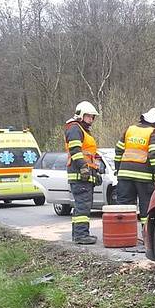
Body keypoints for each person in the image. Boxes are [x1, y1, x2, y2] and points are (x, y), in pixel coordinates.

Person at [114, 108, 155, 236]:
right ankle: (146, 237)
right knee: (146, 208)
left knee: (124, 207)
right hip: (144, 178)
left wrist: (118, 169)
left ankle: (123, 236)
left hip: (124, 176)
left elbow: (118, 150)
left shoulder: (129, 130)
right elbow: (154, 155)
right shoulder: (153, 133)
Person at [64, 101, 101, 245]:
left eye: (92, 117)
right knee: (83, 206)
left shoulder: (82, 130)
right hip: (80, 175)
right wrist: (84, 167)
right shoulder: (74, 128)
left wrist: (96, 171)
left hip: (84, 175)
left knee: (82, 205)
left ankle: (78, 234)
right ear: (81, 115)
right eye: (89, 117)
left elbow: (90, 154)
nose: (91, 119)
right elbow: (75, 150)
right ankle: (81, 236)